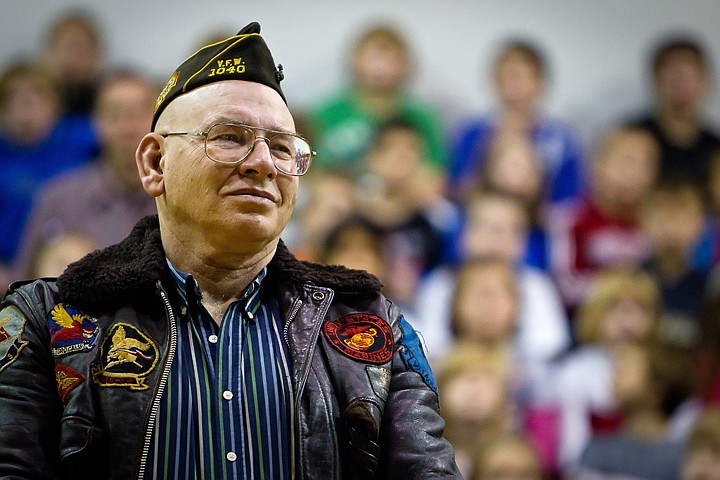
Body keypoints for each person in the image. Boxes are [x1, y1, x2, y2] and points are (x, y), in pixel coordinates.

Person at [0, 22, 460, 479]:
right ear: (155, 163)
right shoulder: (47, 320)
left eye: (282, 148)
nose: (262, 163)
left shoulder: (373, 327)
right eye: (230, 138)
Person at [12, 69, 159, 282]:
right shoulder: (57, 198)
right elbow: (22, 284)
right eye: (115, 114)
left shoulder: (180, 197)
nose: (128, 128)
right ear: (96, 123)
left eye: (139, 113)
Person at [448, 39, 586, 205]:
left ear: (541, 83)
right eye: (510, 76)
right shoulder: (471, 133)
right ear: (494, 81)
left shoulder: (561, 140)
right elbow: (456, 189)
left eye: (525, 77)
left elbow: (570, 201)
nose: (516, 86)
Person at [309, 23, 447, 175]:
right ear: (355, 59)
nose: (381, 67)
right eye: (374, 57)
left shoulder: (421, 117)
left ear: (406, 64)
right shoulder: (326, 113)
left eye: (390, 59)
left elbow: (435, 174)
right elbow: (311, 171)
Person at [627, 35, 720, 191]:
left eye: (689, 75)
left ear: (705, 80)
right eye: (673, 75)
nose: (681, 83)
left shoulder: (715, 148)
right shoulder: (630, 140)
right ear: (656, 80)